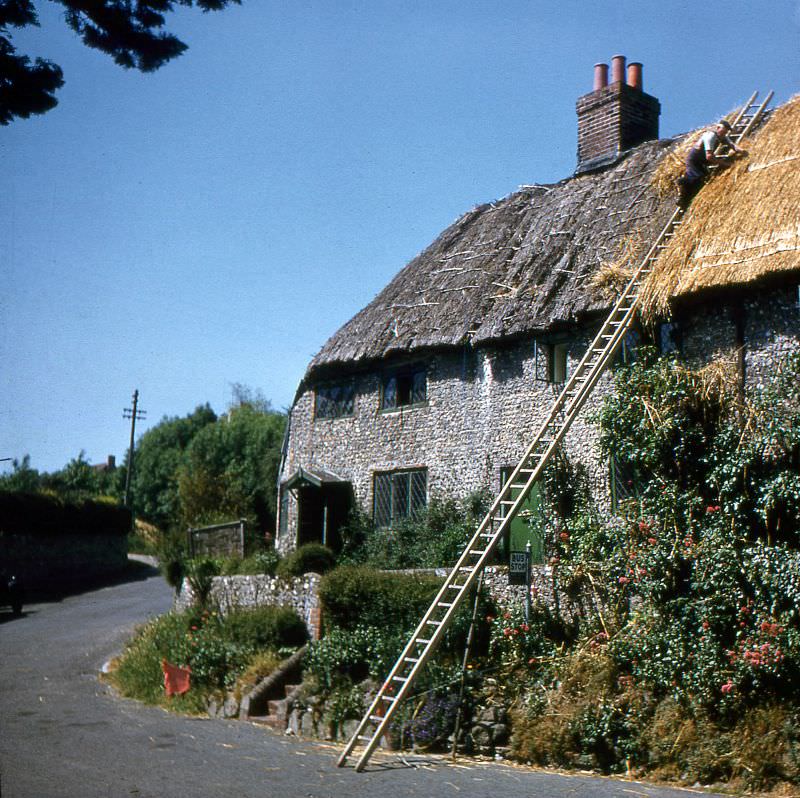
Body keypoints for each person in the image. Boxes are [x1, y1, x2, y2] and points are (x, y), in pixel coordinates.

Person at [677, 119, 748, 209]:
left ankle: (686, 198)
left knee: (704, 179)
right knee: (696, 178)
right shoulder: (710, 136)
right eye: (724, 130)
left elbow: (732, 145)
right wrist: (724, 163)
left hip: (702, 161)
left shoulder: (722, 136)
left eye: (726, 131)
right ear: (718, 128)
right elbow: (709, 157)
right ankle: (682, 185)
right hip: (694, 160)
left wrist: (743, 151)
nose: (725, 133)